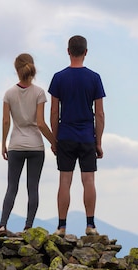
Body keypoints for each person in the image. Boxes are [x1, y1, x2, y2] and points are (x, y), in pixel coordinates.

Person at [48, 35, 106, 237]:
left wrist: (55, 138)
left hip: (66, 135)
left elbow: (54, 112)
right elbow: (99, 113)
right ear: (86, 52)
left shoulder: (58, 78)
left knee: (65, 180)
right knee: (88, 180)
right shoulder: (94, 78)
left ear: (68, 51)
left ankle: (61, 226)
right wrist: (98, 142)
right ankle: (90, 225)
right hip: (87, 136)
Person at [0, 53, 56, 238]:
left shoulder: (9, 94)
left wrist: (3, 144)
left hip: (16, 145)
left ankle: (2, 225)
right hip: (36, 146)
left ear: (16, 69)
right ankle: (28, 227)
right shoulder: (39, 93)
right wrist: (54, 143)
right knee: (32, 187)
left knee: (12, 187)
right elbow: (42, 123)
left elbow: (6, 122)